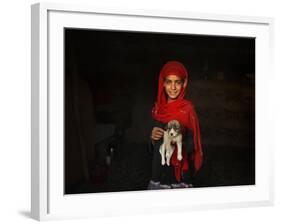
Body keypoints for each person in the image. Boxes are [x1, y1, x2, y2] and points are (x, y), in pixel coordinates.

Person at [147, 61, 203, 189]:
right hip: (159, 171)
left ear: (183, 84)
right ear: (163, 83)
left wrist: (178, 142)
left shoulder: (187, 109)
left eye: (177, 82)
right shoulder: (157, 109)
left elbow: (193, 145)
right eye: (168, 82)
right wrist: (152, 137)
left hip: (180, 173)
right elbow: (152, 148)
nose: (173, 87)